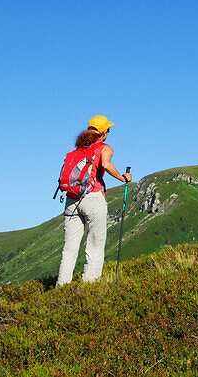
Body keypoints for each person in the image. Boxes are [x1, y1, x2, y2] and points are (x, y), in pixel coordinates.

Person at [56, 114, 132, 285]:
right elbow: (105, 165)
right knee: (95, 245)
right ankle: (89, 287)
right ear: (104, 132)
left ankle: (61, 289)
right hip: (93, 197)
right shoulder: (104, 148)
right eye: (108, 130)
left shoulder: (78, 149)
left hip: (71, 199)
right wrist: (123, 178)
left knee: (69, 249)